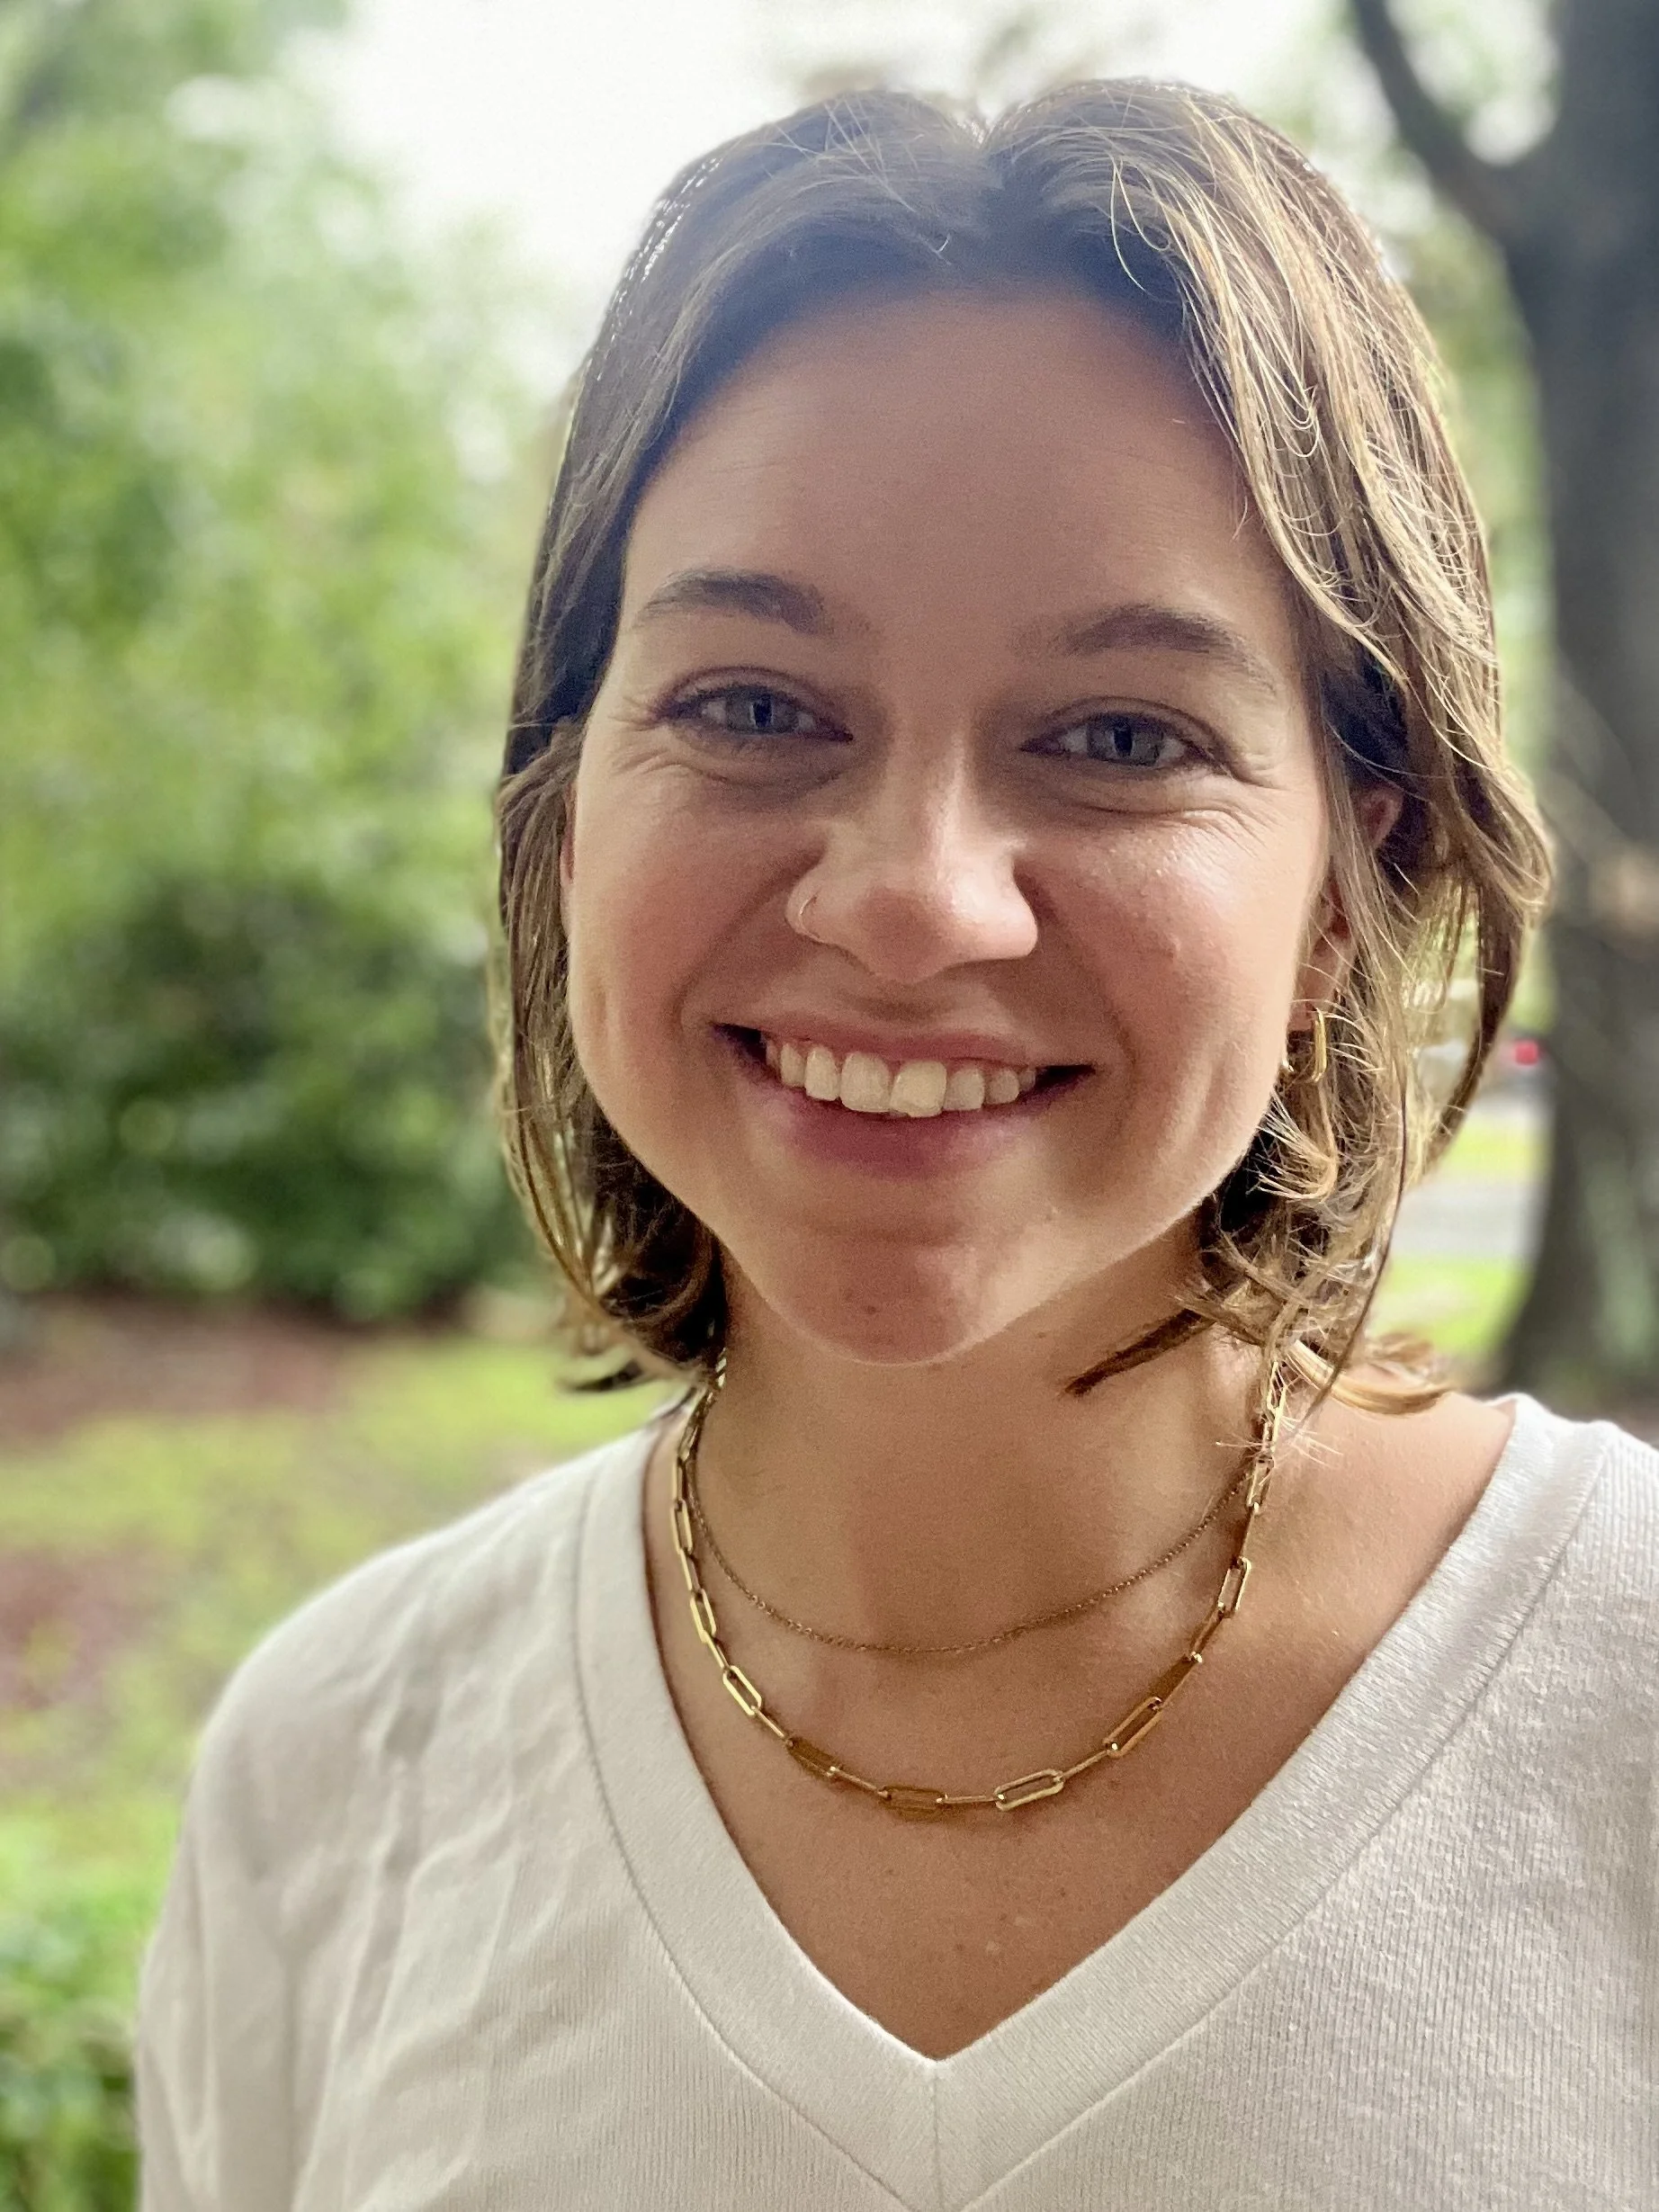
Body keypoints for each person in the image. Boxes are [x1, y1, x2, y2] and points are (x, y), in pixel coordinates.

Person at [137, 81, 1659, 2210]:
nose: (914, 899)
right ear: (567, 807)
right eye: (755, 705)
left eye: (1116, 736)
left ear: (1341, 885)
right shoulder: (331, 1777)